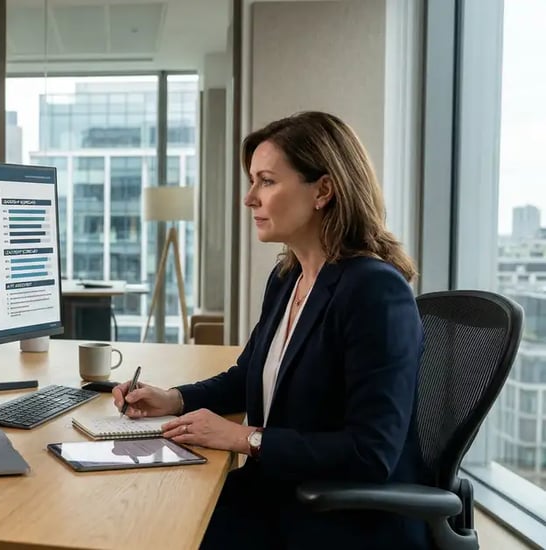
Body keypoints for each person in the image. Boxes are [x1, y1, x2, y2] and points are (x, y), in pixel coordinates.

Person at [113, 111, 428, 549]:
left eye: (266, 181)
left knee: (159, 528)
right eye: (252, 181)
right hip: (278, 493)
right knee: (146, 510)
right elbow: (248, 377)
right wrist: (173, 398)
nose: (249, 198)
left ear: (323, 189)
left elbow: (370, 453)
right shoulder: (288, 278)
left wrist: (245, 438)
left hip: (340, 522)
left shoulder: (375, 291)